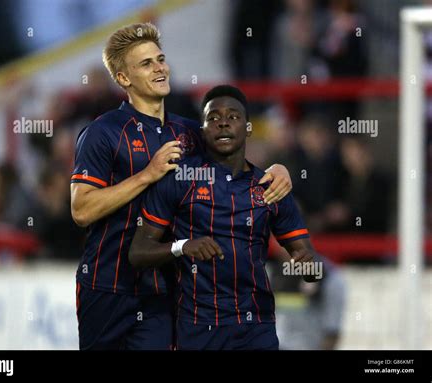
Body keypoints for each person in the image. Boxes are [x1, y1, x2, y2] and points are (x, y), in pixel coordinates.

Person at [70, 23, 293, 350]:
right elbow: (81, 210)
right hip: (106, 287)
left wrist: (276, 169)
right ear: (123, 79)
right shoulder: (103, 132)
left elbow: (237, 164)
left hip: (165, 292)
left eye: (160, 59)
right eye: (146, 63)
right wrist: (148, 174)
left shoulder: (190, 133)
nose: (160, 67)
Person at [129, 85, 322, 350]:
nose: (222, 124)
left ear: (248, 128)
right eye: (213, 118)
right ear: (203, 129)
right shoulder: (179, 180)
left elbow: (311, 268)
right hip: (197, 326)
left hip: (256, 327)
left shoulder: (271, 186)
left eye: (232, 117)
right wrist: (182, 246)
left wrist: (310, 266)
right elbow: (138, 253)